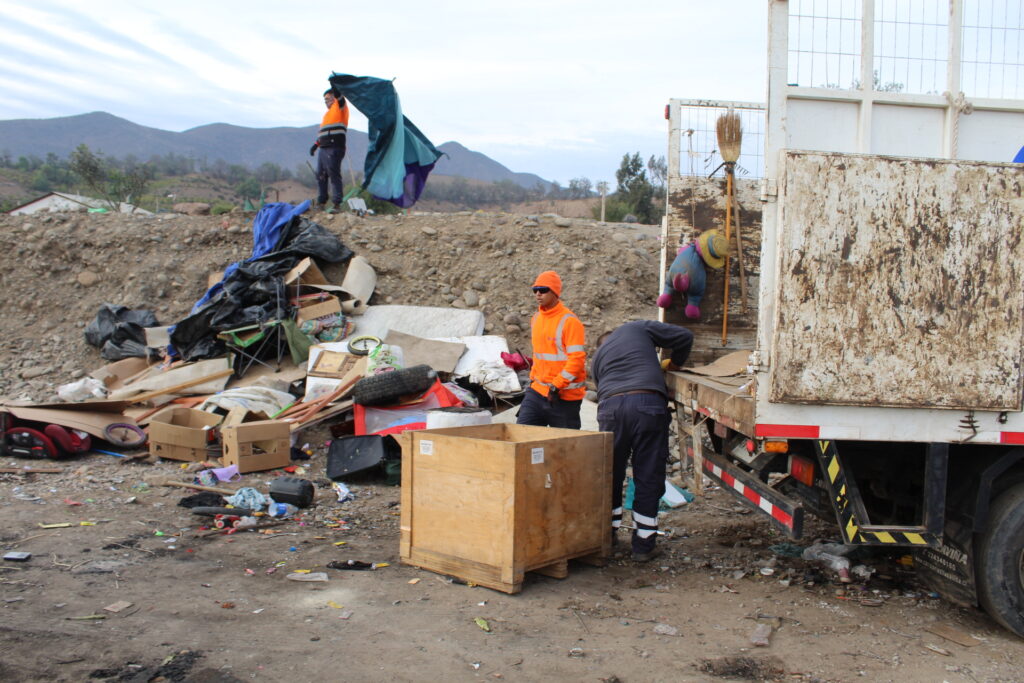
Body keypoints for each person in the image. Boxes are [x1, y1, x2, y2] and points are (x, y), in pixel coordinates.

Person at [590, 320, 694, 562]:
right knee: (647, 475)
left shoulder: (596, 360)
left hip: (611, 410)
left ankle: (608, 537)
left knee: (610, 475)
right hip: (646, 405)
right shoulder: (635, 328)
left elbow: (603, 390)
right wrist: (672, 367)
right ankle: (643, 547)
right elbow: (684, 336)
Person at [516, 271, 587, 429]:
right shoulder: (536, 318)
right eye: (535, 290)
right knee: (522, 437)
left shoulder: (570, 322)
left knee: (564, 447)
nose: (538, 294)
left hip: (564, 397)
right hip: (537, 391)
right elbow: (539, 354)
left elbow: (576, 359)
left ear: (555, 292)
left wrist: (557, 385)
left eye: (543, 290)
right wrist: (534, 380)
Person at [309, 88, 350, 213]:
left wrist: (336, 86)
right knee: (320, 175)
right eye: (325, 100)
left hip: (335, 146)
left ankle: (337, 203)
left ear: (334, 97)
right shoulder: (327, 115)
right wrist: (315, 145)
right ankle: (321, 202)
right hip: (324, 147)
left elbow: (340, 97)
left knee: (333, 173)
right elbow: (323, 133)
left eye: (328, 98)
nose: (326, 101)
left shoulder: (340, 107)